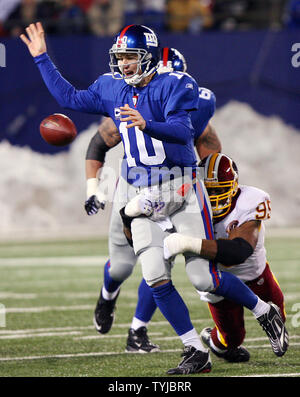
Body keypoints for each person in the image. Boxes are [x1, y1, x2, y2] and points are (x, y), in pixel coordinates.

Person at [20, 23, 287, 374]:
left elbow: (182, 131)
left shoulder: (176, 84)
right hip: (143, 190)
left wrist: (146, 123)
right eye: (120, 57)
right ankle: (195, 350)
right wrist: (41, 57)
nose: (124, 64)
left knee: (204, 279)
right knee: (154, 276)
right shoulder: (111, 87)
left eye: (130, 57)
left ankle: (263, 311)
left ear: (147, 57)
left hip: (181, 187)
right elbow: (69, 97)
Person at [85, 47, 221, 354]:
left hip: (174, 193)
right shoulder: (132, 98)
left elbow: (211, 158)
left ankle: (138, 330)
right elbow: (98, 145)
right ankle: (108, 296)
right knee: (121, 265)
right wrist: (93, 187)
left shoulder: (193, 106)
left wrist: (211, 194)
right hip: (133, 189)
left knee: (161, 260)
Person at [162, 153, 289, 360]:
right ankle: (214, 341)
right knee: (231, 340)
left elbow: (238, 252)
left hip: (253, 272)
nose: (214, 196)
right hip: (218, 283)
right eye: (209, 190)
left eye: (219, 190)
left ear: (234, 186)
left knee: (279, 316)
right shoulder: (185, 205)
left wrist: (188, 243)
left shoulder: (250, 201)